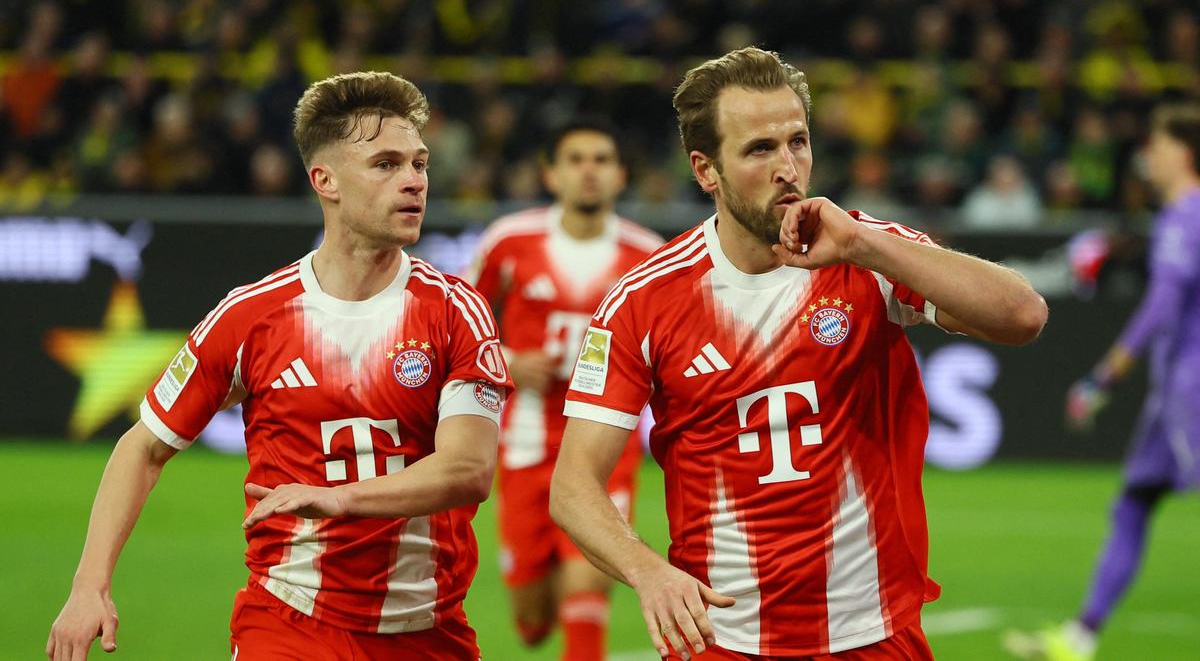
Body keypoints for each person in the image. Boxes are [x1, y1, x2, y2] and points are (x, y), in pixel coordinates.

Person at [549, 46, 1048, 660]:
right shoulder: (643, 300)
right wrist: (648, 571)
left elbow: (1022, 316)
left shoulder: (865, 251)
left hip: (875, 634)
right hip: (724, 639)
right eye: (760, 149)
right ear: (706, 171)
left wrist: (865, 245)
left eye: (798, 142)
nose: (788, 167)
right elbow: (573, 485)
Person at [46, 71, 512, 661]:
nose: (414, 181)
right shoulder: (252, 316)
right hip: (290, 622)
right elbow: (143, 447)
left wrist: (340, 498)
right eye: (386, 165)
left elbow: (469, 469)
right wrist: (89, 586)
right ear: (325, 180)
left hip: (427, 629)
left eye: (419, 164)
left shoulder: (456, 310)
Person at [1007, 104, 1200, 661]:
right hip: (1171, 392)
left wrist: (1104, 377)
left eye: (1158, 146)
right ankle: (1082, 635)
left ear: (1184, 153)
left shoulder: (1184, 218)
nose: (1148, 156)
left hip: (1191, 389)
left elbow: (1161, 307)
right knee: (1133, 502)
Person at [466, 117, 662, 661]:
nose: (589, 171)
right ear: (551, 174)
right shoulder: (509, 240)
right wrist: (509, 361)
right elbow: (460, 326)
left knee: (587, 585)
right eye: (575, 160)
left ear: (621, 175)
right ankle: (537, 590)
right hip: (526, 441)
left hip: (604, 440)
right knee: (531, 622)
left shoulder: (648, 255)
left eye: (601, 160)